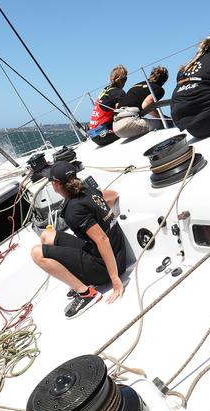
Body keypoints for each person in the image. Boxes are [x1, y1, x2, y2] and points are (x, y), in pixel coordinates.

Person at [31, 162, 126, 318]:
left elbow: (102, 240)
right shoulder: (90, 191)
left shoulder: (74, 211)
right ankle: (79, 280)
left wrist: (115, 280)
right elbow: (113, 195)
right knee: (46, 236)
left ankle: (86, 293)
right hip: (116, 252)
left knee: (36, 253)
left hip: (105, 268)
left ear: (56, 184)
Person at [113, 66, 169, 139]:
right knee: (166, 123)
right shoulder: (158, 89)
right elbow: (146, 105)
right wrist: (163, 117)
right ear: (164, 81)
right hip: (128, 123)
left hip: (116, 126)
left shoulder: (137, 85)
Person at [88, 65, 128, 147]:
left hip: (94, 135)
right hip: (103, 135)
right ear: (124, 80)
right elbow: (125, 110)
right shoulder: (118, 93)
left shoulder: (105, 90)